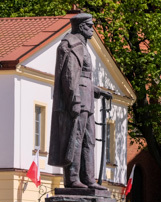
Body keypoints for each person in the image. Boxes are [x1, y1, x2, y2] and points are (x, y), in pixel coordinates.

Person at [48, 13, 112, 190]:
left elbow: (84, 77)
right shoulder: (72, 45)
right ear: (82, 26)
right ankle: (73, 178)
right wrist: (74, 100)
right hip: (77, 101)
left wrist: (97, 91)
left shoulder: (83, 46)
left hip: (87, 98)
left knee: (88, 140)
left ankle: (89, 179)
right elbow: (69, 76)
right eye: (90, 25)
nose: (92, 29)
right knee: (75, 138)